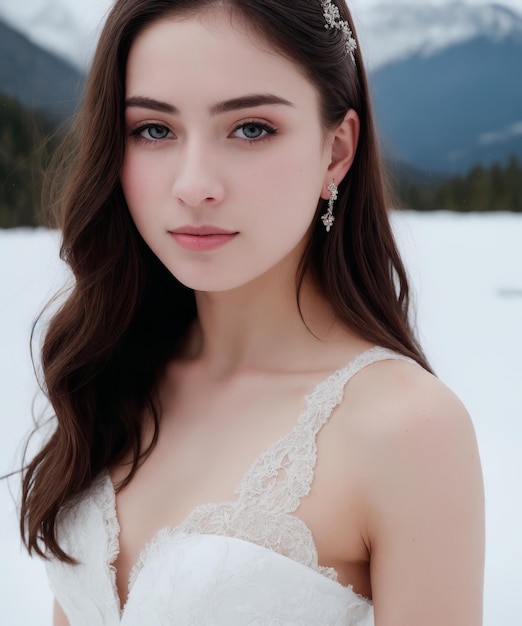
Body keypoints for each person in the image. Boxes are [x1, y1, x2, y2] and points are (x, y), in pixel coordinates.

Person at [19, 0, 485, 624]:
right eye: (153, 130)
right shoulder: (112, 371)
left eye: (251, 128)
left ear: (336, 150)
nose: (194, 184)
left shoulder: (406, 430)